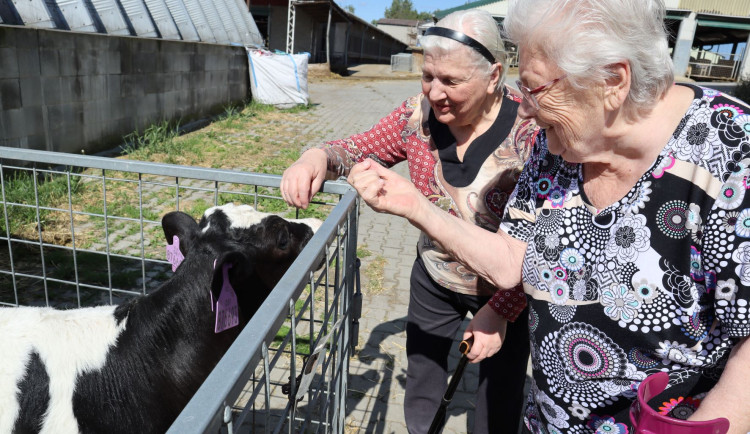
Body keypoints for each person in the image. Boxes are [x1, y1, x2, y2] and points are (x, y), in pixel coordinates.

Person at [345, 0, 750, 433]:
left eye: (535, 90)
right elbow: (509, 261)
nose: (523, 110)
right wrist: (415, 206)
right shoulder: (557, 149)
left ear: (612, 80)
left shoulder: (731, 155)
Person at [281, 9, 537, 433]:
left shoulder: (530, 134)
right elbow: (357, 147)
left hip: (508, 293)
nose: (435, 94)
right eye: (427, 76)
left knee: (499, 399)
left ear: (494, 76)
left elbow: (545, 239)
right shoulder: (416, 117)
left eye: (451, 82)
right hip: (434, 278)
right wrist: (317, 157)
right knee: (422, 382)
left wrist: (502, 311)